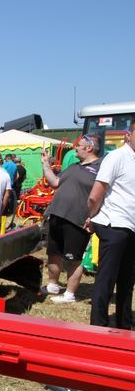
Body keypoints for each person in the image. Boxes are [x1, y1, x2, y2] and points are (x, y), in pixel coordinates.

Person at [40, 133, 102, 303]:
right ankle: (52, 285)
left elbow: (104, 195)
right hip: (57, 215)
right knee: (53, 253)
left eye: (79, 145)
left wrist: (95, 217)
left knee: (73, 259)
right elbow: (55, 183)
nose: (75, 148)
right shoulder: (74, 166)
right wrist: (46, 165)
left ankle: (69, 294)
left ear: (89, 148)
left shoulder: (101, 167)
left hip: (77, 220)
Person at [86, 122, 135, 328]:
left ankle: (124, 324)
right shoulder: (116, 157)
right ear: (128, 135)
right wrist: (91, 216)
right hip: (114, 224)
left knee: (127, 279)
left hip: (130, 226)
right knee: (107, 278)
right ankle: (99, 325)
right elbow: (96, 193)